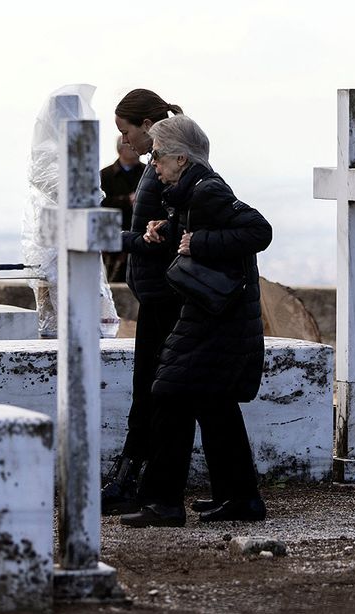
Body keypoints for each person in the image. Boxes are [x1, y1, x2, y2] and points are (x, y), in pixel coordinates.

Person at [119, 114, 272, 527]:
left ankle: (164, 503)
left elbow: (259, 230)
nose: (154, 164)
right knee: (212, 403)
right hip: (215, 315)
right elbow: (201, 234)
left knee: (168, 393)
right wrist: (169, 231)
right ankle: (240, 498)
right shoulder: (192, 194)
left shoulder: (208, 190)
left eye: (160, 157)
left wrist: (197, 241)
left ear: (182, 159)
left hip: (216, 319)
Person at [100, 89, 184, 513]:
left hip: (164, 296)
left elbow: (167, 234)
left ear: (147, 126)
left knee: (151, 390)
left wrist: (120, 239)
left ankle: (136, 481)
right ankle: (135, 477)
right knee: (145, 388)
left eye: (127, 131)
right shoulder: (155, 168)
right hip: (153, 293)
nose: (125, 142)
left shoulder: (168, 168)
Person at [100, 136, 145, 282]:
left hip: (142, 233)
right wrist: (126, 200)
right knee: (114, 278)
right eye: (130, 146)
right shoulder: (104, 175)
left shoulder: (149, 172)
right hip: (113, 238)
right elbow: (98, 203)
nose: (135, 149)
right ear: (120, 150)